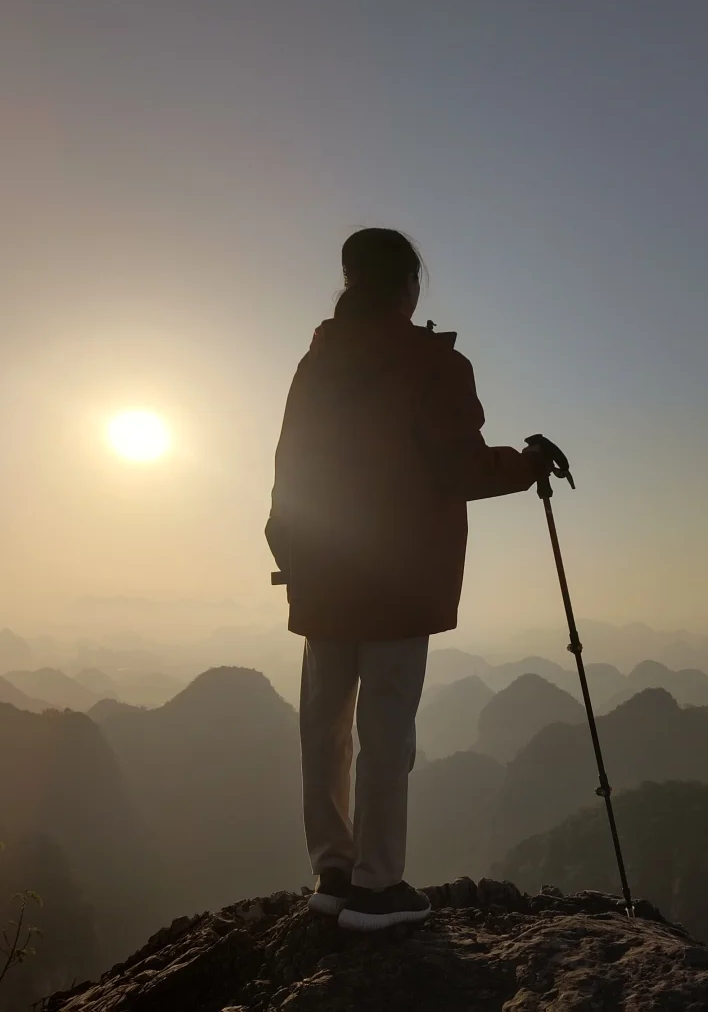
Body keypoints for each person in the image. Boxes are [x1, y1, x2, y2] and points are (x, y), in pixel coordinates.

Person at [266, 228, 547, 932]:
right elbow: (459, 466)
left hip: (323, 572)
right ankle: (377, 886)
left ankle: (332, 872)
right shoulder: (431, 363)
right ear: (408, 287)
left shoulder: (317, 362)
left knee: (323, 726)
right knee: (385, 729)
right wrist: (529, 464)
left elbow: (287, 472)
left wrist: (293, 558)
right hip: (397, 577)